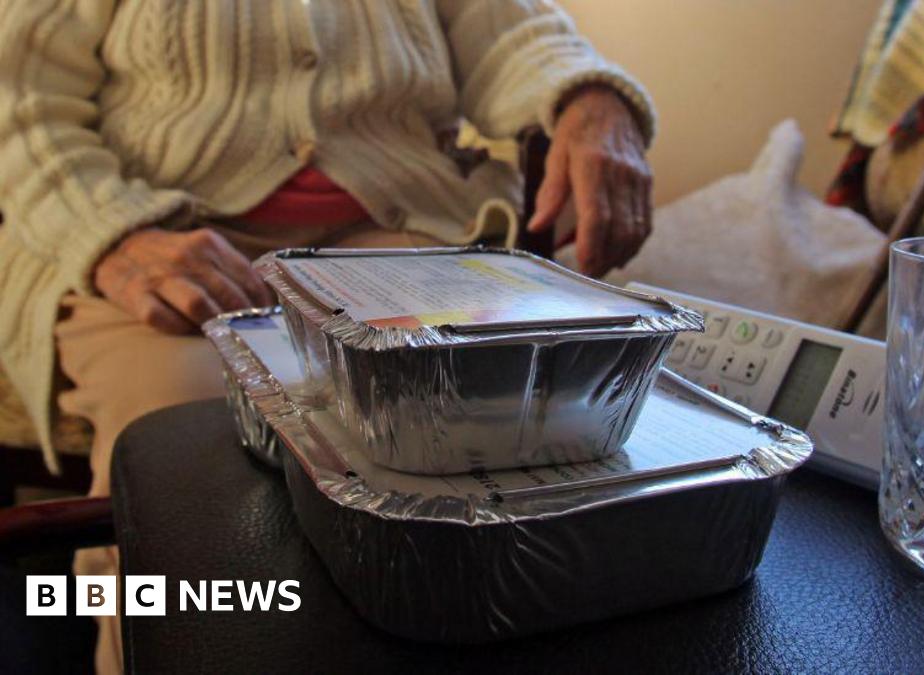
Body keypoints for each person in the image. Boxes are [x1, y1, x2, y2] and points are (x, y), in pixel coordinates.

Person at [0, 1, 655, 671]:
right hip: (158, 234)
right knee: (185, 438)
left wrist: (592, 101)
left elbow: (513, 34)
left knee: (479, 416)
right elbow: (20, 102)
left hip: (401, 228)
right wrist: (115, 233)